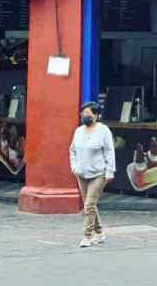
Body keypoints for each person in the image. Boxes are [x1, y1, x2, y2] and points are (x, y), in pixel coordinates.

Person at [69, 101, 115, 248]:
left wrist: (110, 171)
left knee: (89, 205)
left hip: (99, 173)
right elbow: (72, 150)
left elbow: (109, 151)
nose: (85, 116)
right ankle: (99, 232)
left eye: (88, 114)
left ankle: (87, 236)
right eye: (83, 114)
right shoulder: (78, 131)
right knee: (90, 204)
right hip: (81, 172)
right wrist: (74, 166)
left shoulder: (103, 130)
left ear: (96, 115)